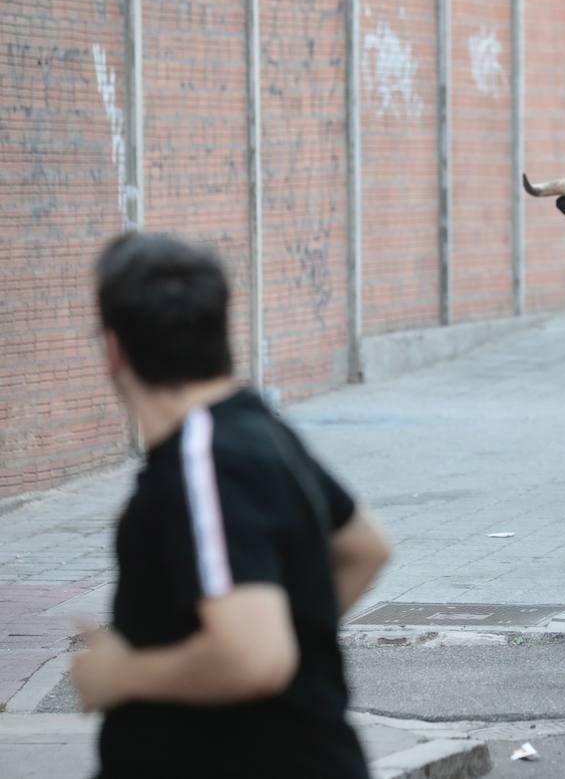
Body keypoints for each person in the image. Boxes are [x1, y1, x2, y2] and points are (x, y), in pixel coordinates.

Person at [72, 233, 392, 778]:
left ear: (114, 350)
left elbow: (253, 658)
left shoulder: (203, 458)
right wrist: (287, 637)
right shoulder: (255, 428)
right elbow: (365, 547)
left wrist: (121, 675)